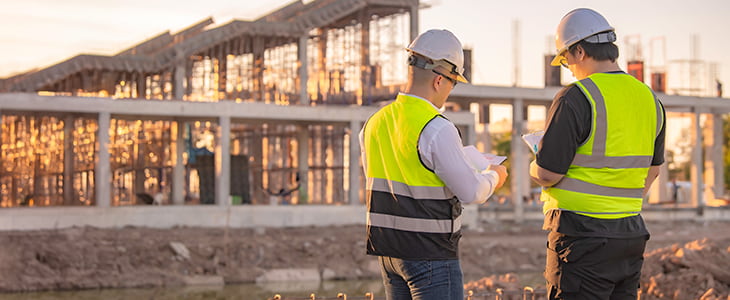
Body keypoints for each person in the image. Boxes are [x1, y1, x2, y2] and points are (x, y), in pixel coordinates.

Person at [359, 29, 508, 300]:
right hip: (430, 256)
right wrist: (495, 175)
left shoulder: (374, 123)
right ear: (440, 80)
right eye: (454, 83)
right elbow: (472, 192)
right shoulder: (437, 128)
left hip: (389, 253)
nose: (450, 91)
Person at [529, 8, 666, 299]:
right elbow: (651, 172)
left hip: (582, 238)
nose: (569, 68)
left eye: (566, 61)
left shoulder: (577, 96)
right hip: (630, 234)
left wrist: (534, 164)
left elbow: (548, 173)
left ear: (579, 51)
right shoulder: (650, 99)